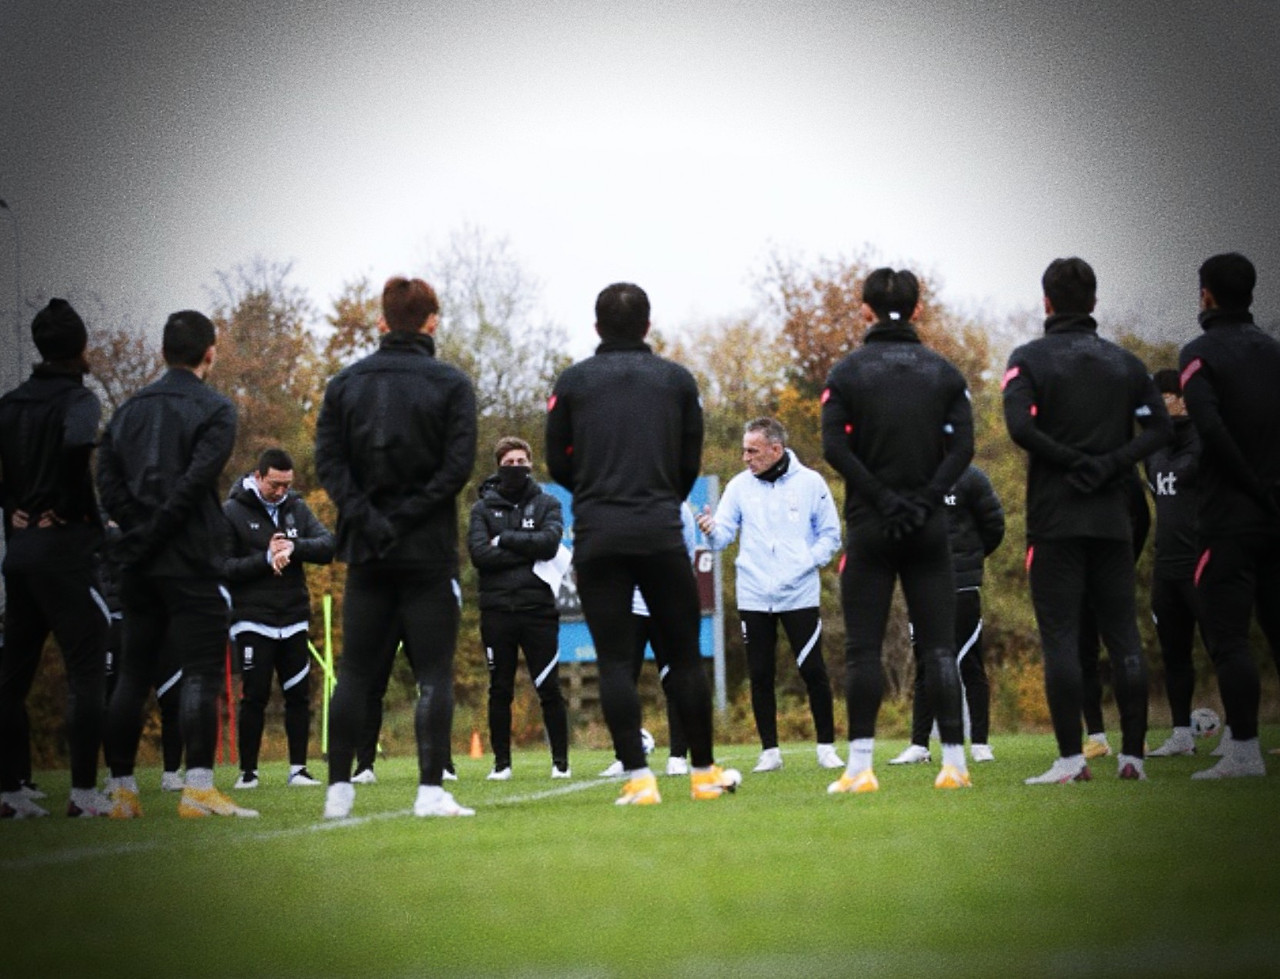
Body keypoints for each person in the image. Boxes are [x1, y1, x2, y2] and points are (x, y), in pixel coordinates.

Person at [546, 282, 740, 805]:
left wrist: (594, 493)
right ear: (648, 326)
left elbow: (556, 461)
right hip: (658, 530)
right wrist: (659, 496)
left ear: (596, 328)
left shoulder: (574, 381)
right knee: (683, 656)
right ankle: (703, 774)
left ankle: (640, 778)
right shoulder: (676, 380)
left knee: (613, 662)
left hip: (598, 532)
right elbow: (689, 459)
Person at [1002, 257, 1171, 784]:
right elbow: (1160, 428)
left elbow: (1019, 428)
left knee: (1061, 639)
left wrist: (1073, 461)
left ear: (1046, 302)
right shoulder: (1126, 364)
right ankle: (1134, 759)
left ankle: (1072, 760)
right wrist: (1109, 463)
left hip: (1055, 519)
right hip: (1112, 518)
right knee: (1124, 637)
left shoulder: (1028, 359)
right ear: (1094, 302)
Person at [315, 275, 477, 818]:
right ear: (432, 322)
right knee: (433, 673)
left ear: (382, 321)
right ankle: (430, 790)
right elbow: (455, 469)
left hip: (368, 551)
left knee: (356, 672)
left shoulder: (344, 384)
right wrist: (405, 517)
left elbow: (330, 466)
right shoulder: (451, 384)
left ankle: (339, 789)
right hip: (427, 550)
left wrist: (367, 517)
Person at [820, 267, 975, 794]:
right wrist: (926, 499)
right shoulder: (944, 373)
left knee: (863, 650)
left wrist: (883, 498)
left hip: (871, 525)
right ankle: (954, 764)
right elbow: (963, 449)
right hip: (928, 527)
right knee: (939, 649)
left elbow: (834, 448)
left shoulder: (846, 373)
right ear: (918, 308)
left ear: (864, 309)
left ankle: (860, 769)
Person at [98, 309, 257, 818]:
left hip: (141, 563)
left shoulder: (126, 411)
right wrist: (160, 532)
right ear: (210, 352)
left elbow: (107, 480)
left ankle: (122, 791)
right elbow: (194, 482)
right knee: (201, 673)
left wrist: (138, 534)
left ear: (162, 351)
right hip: (190, 558)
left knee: (131, 673)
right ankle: (198, 789)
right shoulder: (216, 410)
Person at [0, 299, 111, 818]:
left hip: (19, 556)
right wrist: (79, 513)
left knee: (11, 677)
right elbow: (74, 450)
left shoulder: (10, 404)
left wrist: (13, 507)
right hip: (64, 557)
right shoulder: (78, 402)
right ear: (80, 349)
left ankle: (10, 792)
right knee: (87, 671)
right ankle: (84, 793)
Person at [1179, 253, 1280, 779]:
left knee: (1229, 638)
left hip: (1230, 518)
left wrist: (1251, 485)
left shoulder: (1199, 354)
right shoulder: (1274, 352)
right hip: (1276, 514)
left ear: (1206, 295)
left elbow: (1211, 431)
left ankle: (1243, 750)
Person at [697, 417, 843, 773]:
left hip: (800, 594)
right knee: (760, 674)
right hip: (754, 593)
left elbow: (831, 536)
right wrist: (710, 531)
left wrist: (806, 562)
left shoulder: (811, 483)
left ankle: (826, 748)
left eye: (753, 450)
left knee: (813, 670)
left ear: (775, 450)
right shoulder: (738, 487)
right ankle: (770, 752)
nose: (745, 457)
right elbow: (723, 536)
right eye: (744, 450)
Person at [224, 447, 334, 789]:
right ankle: (248, 773)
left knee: (298, 695)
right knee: (254, 695)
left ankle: (298, 769)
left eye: (287, 484)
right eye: (275, 484)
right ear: (258, 477)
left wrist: (293, 548)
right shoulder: (231, 512)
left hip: (294, 617)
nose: (281, 492)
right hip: (253, 619)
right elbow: (221, 567)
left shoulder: (296, 508)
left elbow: (328, 545)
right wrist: (263, 558)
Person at [468, 436, 570, 780]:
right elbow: (480, 555)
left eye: (521, 462)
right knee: (500, 689)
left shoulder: (548, 504)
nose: (516, 468)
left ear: (531, 463)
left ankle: (561, 764)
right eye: (509, 462)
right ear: (499, 466)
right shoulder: (481, 509)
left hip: (538, 610)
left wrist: (506, 539)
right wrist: (526, 549)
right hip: (496, 611)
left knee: (549, 688)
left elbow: (549, 544)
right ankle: (501, 765)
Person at [891, 464, 1005, 766]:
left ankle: (980, 743)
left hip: (962, 584)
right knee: (925, 666)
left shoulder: (972, 478)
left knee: (969, 663)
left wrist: (969, 559)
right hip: (922, 585)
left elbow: (994, 526)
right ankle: (919, 745)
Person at [1141, 368, 1212, 758]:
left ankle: (1240, 735)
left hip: (1202, 562)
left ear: (1182, 398)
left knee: (1222, 647)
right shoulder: (1154, 446)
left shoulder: (1204, 441)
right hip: (1166, 566)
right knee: (1174, 654)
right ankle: (1182, 734)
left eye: (1163, 396)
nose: (1156, 403)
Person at [598, 500, 697, 779]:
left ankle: (678, 755)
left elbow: (686, 553)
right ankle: (626, 755)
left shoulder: (678, 507)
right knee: (622, 682)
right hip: (629, 609)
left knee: (675, 682)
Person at [1078, 471, 1150, 760]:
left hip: (1112, 578)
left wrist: (1125, 562)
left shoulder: (1122, 469)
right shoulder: (1065, 467)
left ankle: (1134, 738)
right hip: (1077, 580)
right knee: (1083, 657)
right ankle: (1096, 737)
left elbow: (1142, 519)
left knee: (1124, 653)